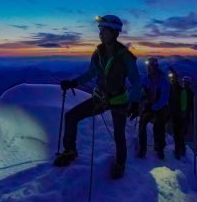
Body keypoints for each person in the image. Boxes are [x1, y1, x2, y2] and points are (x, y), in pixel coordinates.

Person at [54, 15, 141, 179]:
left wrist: (135, 101)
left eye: (104, 30)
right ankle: (70, 151)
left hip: (118, 100)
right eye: (100, 30)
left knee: (119, 135)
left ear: (114, 33)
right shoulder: (98, 52)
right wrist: (74, 83)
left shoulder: (125, 56)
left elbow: (136, 82)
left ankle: (120, 164)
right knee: (70, 116)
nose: (100, 34)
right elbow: (91, 73)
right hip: (100, 97)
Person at [137, 57, 170, 159]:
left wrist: (153, 107)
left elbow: (164, 97)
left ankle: (159, 148)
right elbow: (141, 90)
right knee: (142, 126)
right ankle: (143, 149)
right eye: (148, 66)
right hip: (150, 106)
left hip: (160, 108)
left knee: (159, 128)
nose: (148, 68)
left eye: (150, 66)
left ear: (155, 67)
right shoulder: (146, 78)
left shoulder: (163, 81)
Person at [169, 72, 194, 160]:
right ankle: (181, 149)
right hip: (183, 116)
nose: (184, 83)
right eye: (184, 82)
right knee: (180, 134)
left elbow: (185, 106)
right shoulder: (189, 93)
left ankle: (178, 151)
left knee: (178, 134)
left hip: (180, 116)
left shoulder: (183, 92)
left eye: (185, 82)